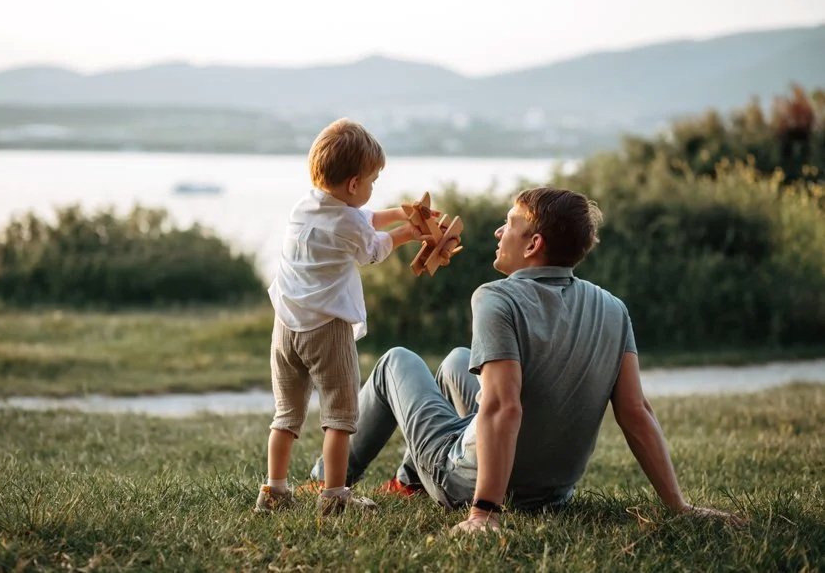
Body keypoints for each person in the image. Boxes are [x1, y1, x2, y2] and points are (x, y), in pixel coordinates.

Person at [310, 187, 742, 532]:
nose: (499, 232)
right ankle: (408, 483)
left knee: (395, 362)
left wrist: (483, 512)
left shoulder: (496, 297)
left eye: (509, 224)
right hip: (552, 494)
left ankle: (323, 481)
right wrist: (679, 507)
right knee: (458, 361)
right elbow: (636, 412)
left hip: (467, 483)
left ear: (534, 243)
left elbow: (503, 406)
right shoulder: (613, 307)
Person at [256, 118, 423, 516]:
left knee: (286, 415)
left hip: (286, 328)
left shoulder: (306, 206)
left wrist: (399, 212)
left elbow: (361, 220)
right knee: (340, 417)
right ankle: (334, 498)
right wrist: (408, 232)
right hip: (325, 329)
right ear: (353, 185)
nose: (371, 189)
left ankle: (274, 491)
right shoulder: (348, 220)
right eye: (371, 181)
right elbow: (372, 249)